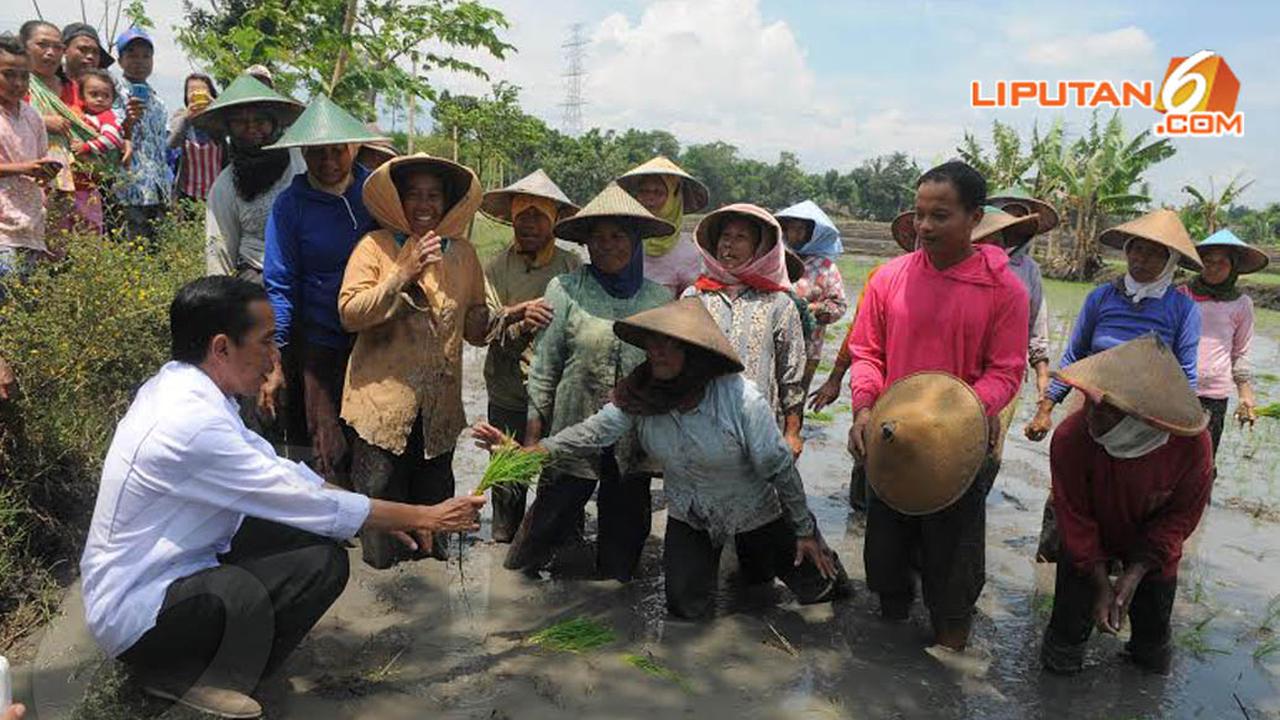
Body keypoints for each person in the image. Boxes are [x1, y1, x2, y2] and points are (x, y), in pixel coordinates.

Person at [80, 276, 486, 720]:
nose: (275, 358)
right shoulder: (189, 422)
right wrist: (426, 516)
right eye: (267, 342)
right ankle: (189, 674)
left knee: (311, 544)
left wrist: (390, 516)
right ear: (221, 348)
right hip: (140, 611)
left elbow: (288, 478)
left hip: (173, 566)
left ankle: (209, 656)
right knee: (315, 565)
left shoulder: (188, 389)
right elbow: (309, 502)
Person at [475, 298, 848, 618]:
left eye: (670, 346)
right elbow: (593, 432)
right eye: (653, 345)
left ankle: (827, 568)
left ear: (696, 354)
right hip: (691, 513)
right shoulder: (641, 395)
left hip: (756, 512)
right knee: (685, 607)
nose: (657, 353)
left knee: (820, 592)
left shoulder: (739, 398)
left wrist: (804, 529)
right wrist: (533, 451)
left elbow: (779, 466)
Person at [847, 161, 1028, 651]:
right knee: (885, 562)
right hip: (892, 440)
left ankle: (949, 656)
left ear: (974, 218)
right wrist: (863, 408)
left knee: (954, 569)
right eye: (920, 213)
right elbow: (868, 353)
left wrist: (960, 414)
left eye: (940, 215)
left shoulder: (1004, 288)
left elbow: (1007, 371)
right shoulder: (889, 279)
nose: (924, 226)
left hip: (958, 447)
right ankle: (884, 664)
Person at [505, 182, 673, 581]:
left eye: (617, 236)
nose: (607, 246)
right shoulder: (565, 289)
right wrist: (533, 440)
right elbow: (544, 368)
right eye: (597, 238)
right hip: (571, 430)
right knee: (541, 533)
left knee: (622, 557)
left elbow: (667, 373)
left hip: (632, 441)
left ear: (635, 241)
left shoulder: (659, 299)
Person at [1023, 209, 1202, 561]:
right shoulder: (1101, 298)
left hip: (1144, 418)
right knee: (1067, 488)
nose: (1140, 258)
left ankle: (1121, 571)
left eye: (1154, 252)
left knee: (1131, 495)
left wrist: (1182, 431)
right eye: (1136, 248)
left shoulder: (1182, 309)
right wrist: (1046, 409)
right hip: (1094, 404)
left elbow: (1186, 373)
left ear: (1171, 261)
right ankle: (1056, 561)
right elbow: (1075, 354)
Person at [338, 153, 489, 568]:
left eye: (433, 196)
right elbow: (349, 314)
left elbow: (476, 328)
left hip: (438, 413)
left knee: (437, 532)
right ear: (397, 201)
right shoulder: (375, 247)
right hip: (381, 412)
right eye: (414, 196)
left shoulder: (461, 254)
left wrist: (497, 318)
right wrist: (400, 275)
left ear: (446, 203)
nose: (424, 205)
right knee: (382, 532)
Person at [1039, 335, 1212, 676]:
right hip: (1089, 538)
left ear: (1142, 419)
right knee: (1063, 646)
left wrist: (1134, 573)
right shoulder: (1072, 438)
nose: (1090, 414)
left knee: (1152, 651)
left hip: (1153, 543)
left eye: (1106, 409)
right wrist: (1102, 584)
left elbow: (1180, 517)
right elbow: (1074, 517)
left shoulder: (1191, 447)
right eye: (1090, 401)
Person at [261, 95, 381, 481]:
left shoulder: (375, 194)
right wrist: (276, 359)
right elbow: (279, 282)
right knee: (323, 435)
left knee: (372, 433)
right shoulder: (290, 206)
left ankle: (375, 519)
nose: (329, 163)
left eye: (337, 151)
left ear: (354, 149)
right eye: (317, 153)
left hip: (373, 336)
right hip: (318, 337)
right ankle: (331, 527)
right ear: (303, 155)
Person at [478, 169, 582, 542]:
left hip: (558, 395)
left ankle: (558, 545)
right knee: (507, 481)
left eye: (538, 215)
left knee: (560, 485)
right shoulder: (494, 267)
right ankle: (504, 547)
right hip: (508, 391)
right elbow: (481, 328)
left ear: (554, 220)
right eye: (522, 215)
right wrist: (521, 317)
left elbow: (584, 328)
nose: (529, 224)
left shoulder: (571, 267)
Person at [683, 203, 806, 457]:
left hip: (756, 429)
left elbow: (790, 374)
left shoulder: (778, 304)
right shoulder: (694, 296)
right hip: (696, 426)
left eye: (741, 238)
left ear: (759, 248)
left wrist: (792, 432)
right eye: (725, 237)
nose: (729, 244)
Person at [196, 75, 306, 282]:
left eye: (260, 120)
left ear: (274, 123)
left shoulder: (303, 162)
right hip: (258, 277)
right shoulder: (225, 186)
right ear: (229, 129)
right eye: (240, 122)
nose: (251, 128)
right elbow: (218, 250)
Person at [1179, 228, 1267, 456]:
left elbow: (1241, 351)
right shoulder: (1182, 295)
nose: (1214, 267)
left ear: (1233, 268)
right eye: (1208, 261)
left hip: (1214, 393)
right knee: (1165, 460)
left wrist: (1246, 395)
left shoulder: (1241, 304)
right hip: (1177, 388)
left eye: (1222, 263)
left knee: (1203, 460)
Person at [968, 205, 1045, 457]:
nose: (991, 247)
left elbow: (1036, 325)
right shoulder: (953, 275)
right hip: (960, 376)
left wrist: (1042, 380)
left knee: (989, 449)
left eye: (997, 240)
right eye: (984, 239)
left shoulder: (1025, 274)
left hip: (1003, 376)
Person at [986, 188, 1059, 411]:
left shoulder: (1028, 270)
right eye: (1008, 214)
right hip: (964, 366)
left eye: (1020, 217)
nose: (1012, 223)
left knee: (992, 441)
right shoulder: (967, 257)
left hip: (1008, 373)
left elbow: (1037, 324)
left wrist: (1042, 377)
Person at [19, 21, 94, 228]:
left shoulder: (76, 89)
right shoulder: (15, 85)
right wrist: (40, 121)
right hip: (28, 179)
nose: (50, 53)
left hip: (78, 185)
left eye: (57, 47)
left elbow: (93, 127)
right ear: (23, 46)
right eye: (42, 45)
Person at [0, 33, 60, 283]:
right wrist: (26, 167)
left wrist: (46, 173)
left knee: (26, 301)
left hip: (30, 221)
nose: (17, 82)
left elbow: (41, 158)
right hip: (2, 227)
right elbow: (29, 164)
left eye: (23, 76)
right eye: (8, 74)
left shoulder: (32, 116)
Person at [775, 200, 848, 393]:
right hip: (771, 344)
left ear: (811, 234)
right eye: (792, 228)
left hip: (808, 348)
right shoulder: (774, 259)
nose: (796, 234)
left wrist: (813, 309)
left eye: (802, 229)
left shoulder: (825, 266)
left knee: (794, 401)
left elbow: (839, 305)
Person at [616, 155, 709, 296]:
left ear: (673, 198)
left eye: (658, 192)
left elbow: (690, 304)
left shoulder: (687, 253)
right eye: (644, 191)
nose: (649, 198)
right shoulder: (619, 240)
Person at [113, 27, 173, 241]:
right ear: (120, 60)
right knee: (130, 253)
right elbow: (109, 135)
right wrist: (128, 121)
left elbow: (165, 146)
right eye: (132, 55)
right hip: (129, 191)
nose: (140, 61)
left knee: (160, 256)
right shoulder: (113, 92)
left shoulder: (159, 102)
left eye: (146, 56)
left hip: (159, 191)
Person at [70, 68, 129, 234]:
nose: (100, 99)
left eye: (106, 95)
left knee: (90, 224)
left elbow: (112, 139)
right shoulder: (82, 116)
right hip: (78, 180)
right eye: (94, 94)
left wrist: (87, 147)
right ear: (82, 96)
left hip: (93, 181)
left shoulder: (107, 117)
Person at [168, 73, 225, 203]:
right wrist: (186, 118)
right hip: (186, 195)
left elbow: (228, 132)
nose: (197, 94)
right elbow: (172, 143)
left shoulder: (217, 120)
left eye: (202, 91)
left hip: (216, 195)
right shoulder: (180, 116)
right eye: (192, 91)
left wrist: (215, 107)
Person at [60, 22, 113, 99]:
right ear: (64, 50)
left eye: (95, 52)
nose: (90, 56)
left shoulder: (107, 90)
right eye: (83, 49)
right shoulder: (50, 87)